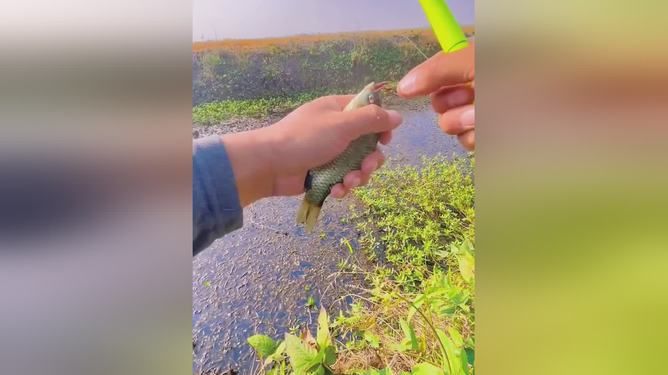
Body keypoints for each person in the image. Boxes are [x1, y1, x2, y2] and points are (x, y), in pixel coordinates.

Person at [193, 44, 475, 254]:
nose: (370, 93)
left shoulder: (363, 110)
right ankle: (313, 201)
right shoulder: (361, 113)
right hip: (317, 170)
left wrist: (273, 159)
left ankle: (313, 201)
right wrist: (276, 156)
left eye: (372, 98)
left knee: (336, 179)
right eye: (372, 96)